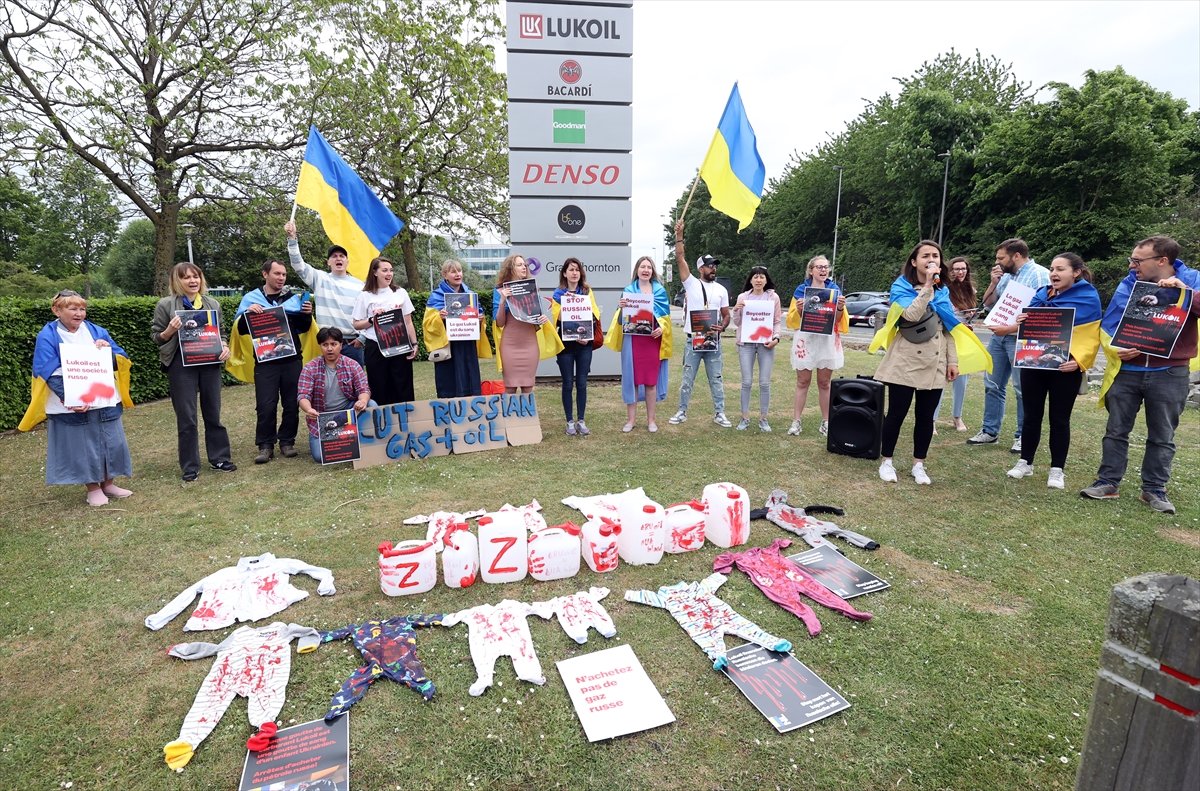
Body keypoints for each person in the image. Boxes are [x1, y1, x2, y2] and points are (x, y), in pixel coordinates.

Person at [1081, 235, 1200, 514]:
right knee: (1116, 430)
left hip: (1170, 370)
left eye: (1138, 260)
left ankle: (1155, 489)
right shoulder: (1129, 283)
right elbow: (1112, 321)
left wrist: (1185, 292)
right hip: (1128, 370)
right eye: (1131, 260)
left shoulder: (1192, 279)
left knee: (1162, 434)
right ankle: (1108, 482)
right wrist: (1116, 348)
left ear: (1162, 261)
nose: (1132, 265)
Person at [869, 240, 990, 485]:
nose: (931, 259)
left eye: (935, 255)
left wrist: (952, 361)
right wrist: (926, 287)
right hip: (905, 360)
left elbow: (949, 328)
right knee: (896, 414)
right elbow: (912, 315)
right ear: (914, 261)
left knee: (926, 417)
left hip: (936, 361)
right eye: (925, 256)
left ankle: (919, 464)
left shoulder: (943, 290)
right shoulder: (900, 287)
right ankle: (887, 461)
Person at [18, 290, 134, 506]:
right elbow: (45, 370)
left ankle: (109, 483)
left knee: (111, 441)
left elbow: (122, 358)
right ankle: (92, 487)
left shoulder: (97, 331)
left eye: (82, 308)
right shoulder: (48, 335)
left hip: (103, 397)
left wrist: (107, 351)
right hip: (71, 403)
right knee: (83, 445)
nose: (79, 313)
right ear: (57, 310)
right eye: (72, 308)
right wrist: (70, 397)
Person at [1000, 253, 1102, 489]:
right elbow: (1029, 323)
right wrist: (1022, 318)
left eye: (1060, 269)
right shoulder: (1041, 294)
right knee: (1031, 415)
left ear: (1076, 272)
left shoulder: (1088, 296)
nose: (1054, 274)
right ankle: (1025, 462)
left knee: (1059, 419)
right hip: (1034, 364)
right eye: (1052, 269)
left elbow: (1092, 334)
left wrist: (1078, 361)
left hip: (1065, 368)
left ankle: (1057, 470)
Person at [151, 262, 236, 481]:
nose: (192, 281)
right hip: (181, 366)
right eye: (186, 277)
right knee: (187, 418)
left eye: (196, 276)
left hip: (209, 363)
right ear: (176, 281)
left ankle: (219, 458)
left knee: (213, 413)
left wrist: (224, 346)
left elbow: (221, 333)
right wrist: (169, 331)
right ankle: (190, 466)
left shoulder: (212, 303)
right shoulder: (165, 305)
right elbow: (156, 337)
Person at [229, 258, 316, 464]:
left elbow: (303, 328)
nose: (281, 278)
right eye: (277, 274)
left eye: (284, 274)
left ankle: (287, 442)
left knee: (291, 403)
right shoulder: (251, 299)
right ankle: (265, 445)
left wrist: (306, 314)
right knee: (266, 404)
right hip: (265, 361)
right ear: (265, 274)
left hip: (291, 358)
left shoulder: (293, 298)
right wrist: (247, 316)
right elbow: (240, 329)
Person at [970, 238, 1050, 452]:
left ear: (1016, 255)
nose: (997, 262)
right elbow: (988, 304)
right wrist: (994, 282)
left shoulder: (1039, 274)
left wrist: (1012, 328)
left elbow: (1043, 311)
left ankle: (1023, 435)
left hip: (1022, 338)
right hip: (999, 336)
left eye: (1001, 258)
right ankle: (989, 431)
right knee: (992, 383)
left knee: (1023, 388)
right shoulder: (1006, 276)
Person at [669, 218, 732, 428]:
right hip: (693, 340)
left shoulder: (722, 290)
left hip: (713, 341)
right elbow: (679, 257)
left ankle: (719, 413)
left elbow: (726, 315)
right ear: (700, 268)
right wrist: (679, 235)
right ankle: (682, 411)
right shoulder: (691, 283)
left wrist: (722, 327)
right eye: (709, 265)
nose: (713, 268)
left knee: (716, 378)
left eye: (714, 265)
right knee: (687, 379)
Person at [283, 220, 366, 366]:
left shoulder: (360, 285)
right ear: (328, 262)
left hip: (353, 345)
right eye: (334, 256)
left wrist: (363, 338)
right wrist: (292, 238)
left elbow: (369, 315)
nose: (338, 258)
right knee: (327, 387)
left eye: (342, 256)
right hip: (327, 344)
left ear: (347, 261)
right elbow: (298, 264)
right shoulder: (320, 278)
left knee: (356, 388)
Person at [605, 256, 671, 432]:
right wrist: (620, 307)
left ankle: (651, 420)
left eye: (649, 267)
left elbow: (665, 319)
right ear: (637, 270)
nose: (646, 270)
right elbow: (620, 320)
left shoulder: (660, 291)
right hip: (633, 341)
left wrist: (661, 329)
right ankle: (631, 420)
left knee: (650, 382)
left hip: (652, 341)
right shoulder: (628, 290)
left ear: (652, 271)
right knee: (632, 380)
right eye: (643, 266)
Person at [785, 255, 847, 436]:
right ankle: (796, 421)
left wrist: (841, 308)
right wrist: (799, 309)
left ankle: (826, 421)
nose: (823, 270)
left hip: (826, 340)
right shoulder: (801, 291)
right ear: (811, 270)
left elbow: (837, 321)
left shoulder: (834, 290)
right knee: (802, 381)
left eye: (826, 267)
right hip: (806, 339)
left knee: (825, 383)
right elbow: (792, 320)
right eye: (819, 267)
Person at [297, 328, 372, 463]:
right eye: (325, 345)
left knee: (371, 405)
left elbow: (364, 389)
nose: (329, 349)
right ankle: (346, 444)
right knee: (320, 457)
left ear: (341, 345)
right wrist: (308, 409)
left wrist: (362, 401)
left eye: (334, 344)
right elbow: (303, 395)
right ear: (320, 346)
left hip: (347, 412)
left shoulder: (352, 365)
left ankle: (364, 442)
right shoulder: (309, 368)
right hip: (322, 417)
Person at [352, 256, 418, 406]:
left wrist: (414, 344)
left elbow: (408, 321)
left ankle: (406, 423)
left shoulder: (400, 293)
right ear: (374, 272)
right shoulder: (365, 296)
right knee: (379, 387)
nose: (389, 274)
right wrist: (371, 320)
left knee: (403, 388)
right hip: (376, 347)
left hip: (399, 345)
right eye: (384, 270)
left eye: (391, 270)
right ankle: (382, 426)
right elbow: (356, 324)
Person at [492, 253, 561, 394]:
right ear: (510, 269)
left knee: (528, 387)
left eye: (524, 265)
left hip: (529, 344)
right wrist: (503, 300)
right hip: (510, 345)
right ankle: (509, 417)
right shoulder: (499, 291)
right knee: (510, 387)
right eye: (519, 265)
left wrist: (542, 320)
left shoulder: (532, 289)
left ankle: (527, 417)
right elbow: (499, 323)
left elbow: (537, 319)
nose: (524, 267)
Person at [423, 259, 492, 399]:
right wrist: (439, 317)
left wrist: (480, 319)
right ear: (444, 274)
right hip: (448, 346)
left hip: (467, 345)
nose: (457, 274)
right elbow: (428, 323)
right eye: (453, 272)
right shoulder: (436, 296)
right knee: (449, 384)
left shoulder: (471, 295)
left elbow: (480, 318)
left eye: (459, 271)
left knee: (469, 380)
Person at [549, 257, 600, 436]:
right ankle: (569, 421)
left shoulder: (587, 291)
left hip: (584, 343)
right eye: (571, 269)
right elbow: (558, 318)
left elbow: (594, 314)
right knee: (567, 383)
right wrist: (570, 302)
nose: (574, 273)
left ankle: (581, 420)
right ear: (564, 273)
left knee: (582, 383)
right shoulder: (558, 294)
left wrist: (584, 334)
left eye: (577, 269)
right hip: (566, 344)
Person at [731, 265, 782, 431]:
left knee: (764, 383)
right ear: (750, 280)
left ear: (766, 280)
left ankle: (763, 418)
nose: (759, 280)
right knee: (746, 382)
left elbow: (776, 321)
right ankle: (745, 418)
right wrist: (736, 310)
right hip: (746, 344)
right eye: (755, 277)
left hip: (766, 344)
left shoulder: (773, 298)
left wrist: (776, 338)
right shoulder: (742, 297)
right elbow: (737, 323)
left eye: (762, 277)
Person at [932, 256, 979, 432]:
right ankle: (932, 419)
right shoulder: (943, 289)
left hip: (964, 336)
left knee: (962, 379)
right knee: (941, 378)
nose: (960, 272)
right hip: (947, 335)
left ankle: (957, 417)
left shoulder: (971, 290)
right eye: (956, 269)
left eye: (963, 269)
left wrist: (970, 316)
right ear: (950, 271)